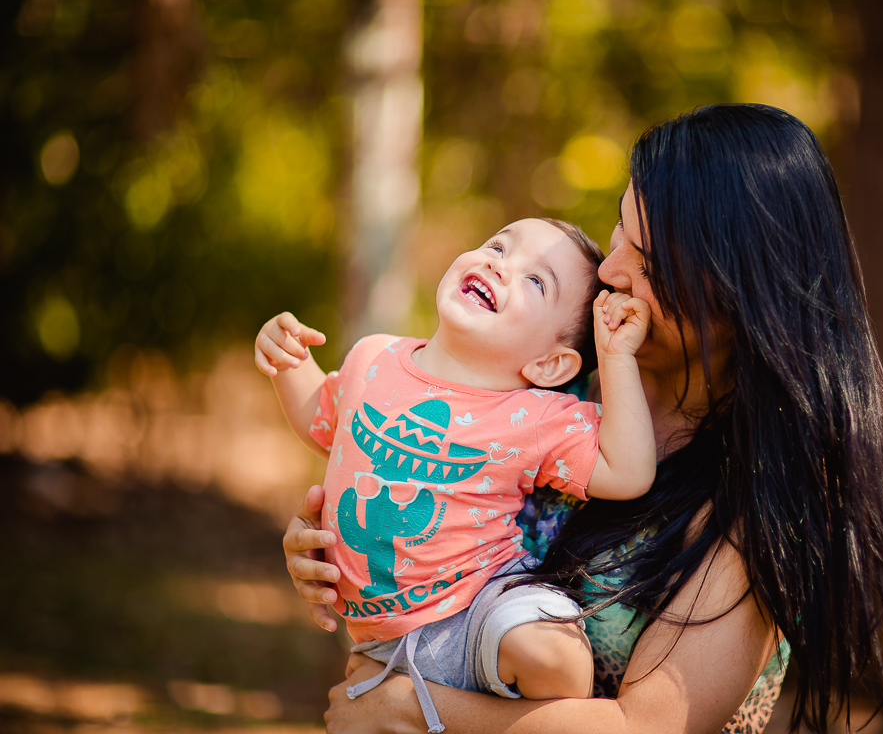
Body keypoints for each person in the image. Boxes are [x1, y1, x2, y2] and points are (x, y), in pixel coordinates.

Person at [283, 104, 883, 734]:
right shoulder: (558, 380)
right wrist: (343, 547)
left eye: (650, 265)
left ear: (739, 295)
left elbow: (648, 728)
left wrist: (413, 711)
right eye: (620, 227)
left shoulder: (750, 514)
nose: (611, 272)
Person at [257, 218, 657, 732]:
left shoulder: (535, 414)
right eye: (497, 245)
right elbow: (324, 422)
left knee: (555, 656)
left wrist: (617, 356)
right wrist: (288, 362)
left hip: (480, 608)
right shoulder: (375, 355)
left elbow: (627, 471)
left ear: (552, 365)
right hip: (380, 641)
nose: (499, 264)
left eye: (537, 281)